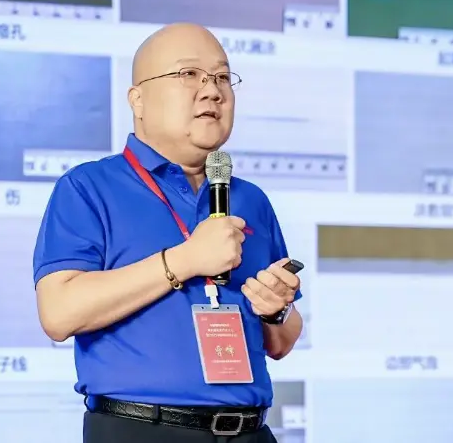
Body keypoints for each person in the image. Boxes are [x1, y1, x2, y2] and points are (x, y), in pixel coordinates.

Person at [33, 22, 303, 443]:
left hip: (250, 432)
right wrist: (185, 260)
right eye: (189, 74)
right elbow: (59, 312)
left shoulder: (249, 199)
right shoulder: (89, 187)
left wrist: (276, 311)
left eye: (222, 77)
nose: (212, 91)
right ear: (137, 100)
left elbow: (282, 341)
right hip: (144, 429)